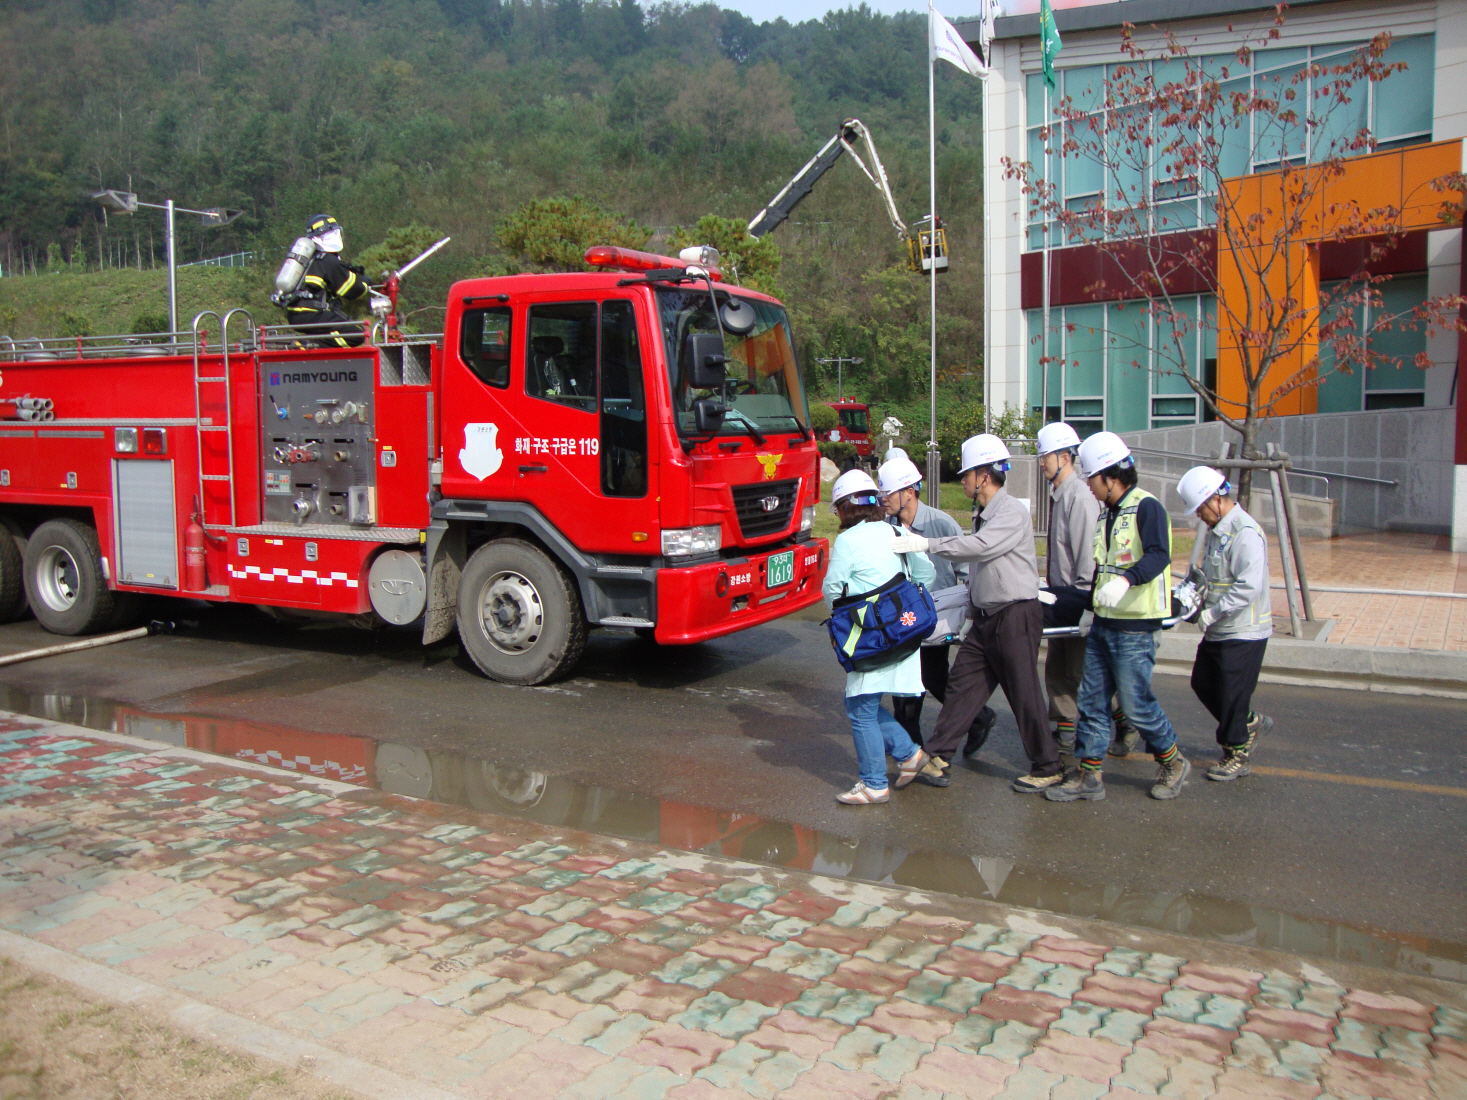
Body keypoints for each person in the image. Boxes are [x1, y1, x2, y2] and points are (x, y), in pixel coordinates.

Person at [890, 435, 1064, 793]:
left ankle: (1048, 766)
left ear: (984, 475)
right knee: (961, 686)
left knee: (1024, 693)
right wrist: (971, 613)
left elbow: (980, 549)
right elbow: (982, 569)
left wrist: (927, 543)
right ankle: (938, 757)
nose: (964, 480)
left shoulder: (1011, 512)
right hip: (987, 618)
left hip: (1015, 615)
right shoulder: (983, 514)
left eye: (967, 474)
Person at [1047, 432, 1189, 802]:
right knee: (1092, 701)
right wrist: (1089, 610)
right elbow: (1102, 567)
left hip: (1136, 628)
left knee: (1136, 703)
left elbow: (1159, 555)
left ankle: (1173, 761)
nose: (1088, 485)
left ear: (1110, 476)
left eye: (1091, 478)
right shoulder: (1107, 514)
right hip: (1104, 623)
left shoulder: (1147, 507)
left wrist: (1127, 581)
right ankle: (1089, 774)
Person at [823, 469, 937, 805]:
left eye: (837, 508)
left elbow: (832, 589)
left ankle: (875, 783)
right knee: (862, 705)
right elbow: (926, 574)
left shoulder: (848, 541)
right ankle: (910, 755)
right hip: (904, 635)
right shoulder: (896, 530)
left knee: (860, 707)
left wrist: (846, 614)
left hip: (869, 638)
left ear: (846, 507)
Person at [877, 453, 997, 755]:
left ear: (909, 492)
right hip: (902, 619)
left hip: (935, 618)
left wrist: (969, 616)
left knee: (933, 677)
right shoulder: (885, 527)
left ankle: (978, 718)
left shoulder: (942, 524)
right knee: (904, 683)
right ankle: (912, 747)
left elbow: (967, 571)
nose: (884, 499)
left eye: (889, 493)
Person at [1177, 466, 1275, 781]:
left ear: (1216, 500)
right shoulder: (1217, 531)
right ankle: (1247, 722)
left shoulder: (1245, 533)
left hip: (1244, 630)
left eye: (1200, 509)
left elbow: (1249, 586)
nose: (1199, 516)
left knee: (1233, 694)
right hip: (1218, 628)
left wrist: (1215, 612)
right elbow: (1214, 577)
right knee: (1202, 682)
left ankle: (1236, 752)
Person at [1035, 423, 1099, 754]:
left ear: (1064, 457)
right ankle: (1065, 729)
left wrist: (1085, 605)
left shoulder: (1080, 498)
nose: (1041, 463)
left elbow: (1088, 559)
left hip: (1077, 599)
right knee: (1058, 667)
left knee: (1078, 670)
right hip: (1060, 596)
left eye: (1045, 456)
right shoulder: (1060, 496)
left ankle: (1119, 722)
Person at [279, 214, 377, 348]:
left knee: (337, 331)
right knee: (356, 335)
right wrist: (367, 282)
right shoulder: (327, 260)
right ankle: (306, 345)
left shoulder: (309, 259)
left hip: (296, 314)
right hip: (312, 314)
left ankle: (310, 345)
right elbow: (353, 289)